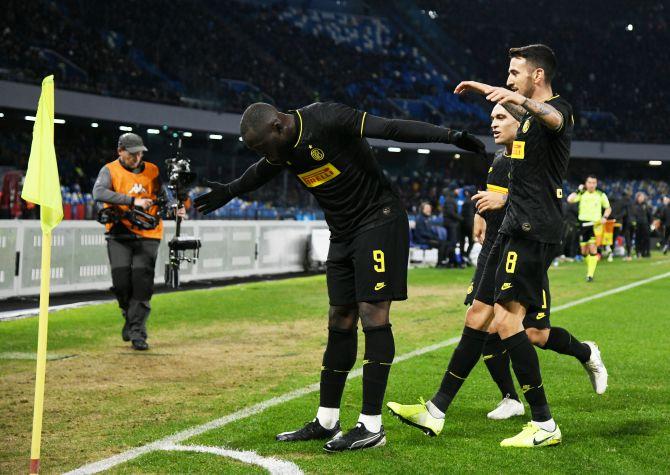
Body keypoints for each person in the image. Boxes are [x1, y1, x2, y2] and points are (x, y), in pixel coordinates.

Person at [194, 101, 484, 452]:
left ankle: (371, 426)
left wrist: (451, 135)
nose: (261, 154)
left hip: (379, 218)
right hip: (343, 233)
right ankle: (327, 419)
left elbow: (389, 127)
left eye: (259, 146)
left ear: (277, 127)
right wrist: (230, 190)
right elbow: (261, 171)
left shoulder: (325, 118)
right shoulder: (281, 149)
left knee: (372, 312)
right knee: (340, 316)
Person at [388, 44, 605, 448]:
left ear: (536, 76)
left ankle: (544, 423)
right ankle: (435, 411)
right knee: (477, 316)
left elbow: (554, 118)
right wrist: (486, 90)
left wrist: (516, 97)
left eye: (514, 73)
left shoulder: (559, 109)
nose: (509, 79)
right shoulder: (525, 121)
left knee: (510, 324)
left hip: (532, 229)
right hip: (510, 227)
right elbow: (518, 126)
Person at [470, 104, 606, 421]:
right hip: (495, 254)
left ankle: (587, 352)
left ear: (521, 126)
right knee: (484, 325)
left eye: (501, 117)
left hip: (525, 255)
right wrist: (479, 213)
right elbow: (494, 195)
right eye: (491, 117)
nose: (492, 123)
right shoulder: (499, 159)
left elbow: (535, 200)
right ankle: (511, 399)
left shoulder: (530, 160)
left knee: (534, 334)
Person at [93, 133, 184, 351]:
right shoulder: (109, 170)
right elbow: (98, 192)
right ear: (120, 151)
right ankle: (130, 318)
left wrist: (175, 208)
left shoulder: (153, 170)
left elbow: (166, 196)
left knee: (142, 284)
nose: (137, 157)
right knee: (121, 283)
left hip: (149, 234)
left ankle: (137, 333)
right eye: (133, 153)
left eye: (140, 153)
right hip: (119, 233)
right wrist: (133, 201)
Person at [567, 176, 611, 281]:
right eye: (590, 182)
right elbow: (569, 199)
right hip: (582, 224)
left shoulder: (601, 194)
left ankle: (590, 275)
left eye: (594, 183)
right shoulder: (581, 193)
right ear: (586, 183)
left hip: (595, 225)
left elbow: (608, 208)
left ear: (596, 184)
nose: (591, 185)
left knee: (592, 247)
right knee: (584, 251)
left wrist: (604, 217)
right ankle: (590, 267)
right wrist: (578, 190)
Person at [414, 202, 449, 266]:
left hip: (428, 238)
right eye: (427, 208)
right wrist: (433, 237)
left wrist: (434, 236)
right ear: (422, 209)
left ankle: (444, 261)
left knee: (445, 243)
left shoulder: (428, 218)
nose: (429, 209)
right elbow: (422, 232)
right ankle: (439, 263)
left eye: (429, 208)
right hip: (422, 239)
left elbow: (429, 231)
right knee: (441, 244)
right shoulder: (419, 218)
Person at [631, 191, 652, 257]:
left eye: (642, 197)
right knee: (638, 239)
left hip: (645, 224)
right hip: (637, 225)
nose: (641, 198)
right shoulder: (634, 205)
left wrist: (650, 223)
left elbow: (649, 215)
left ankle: (646, 252)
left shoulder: (646, 205)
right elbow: (633, 215)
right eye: (640, 197)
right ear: (637, 197)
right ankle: (638, 252)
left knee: (646, 239)